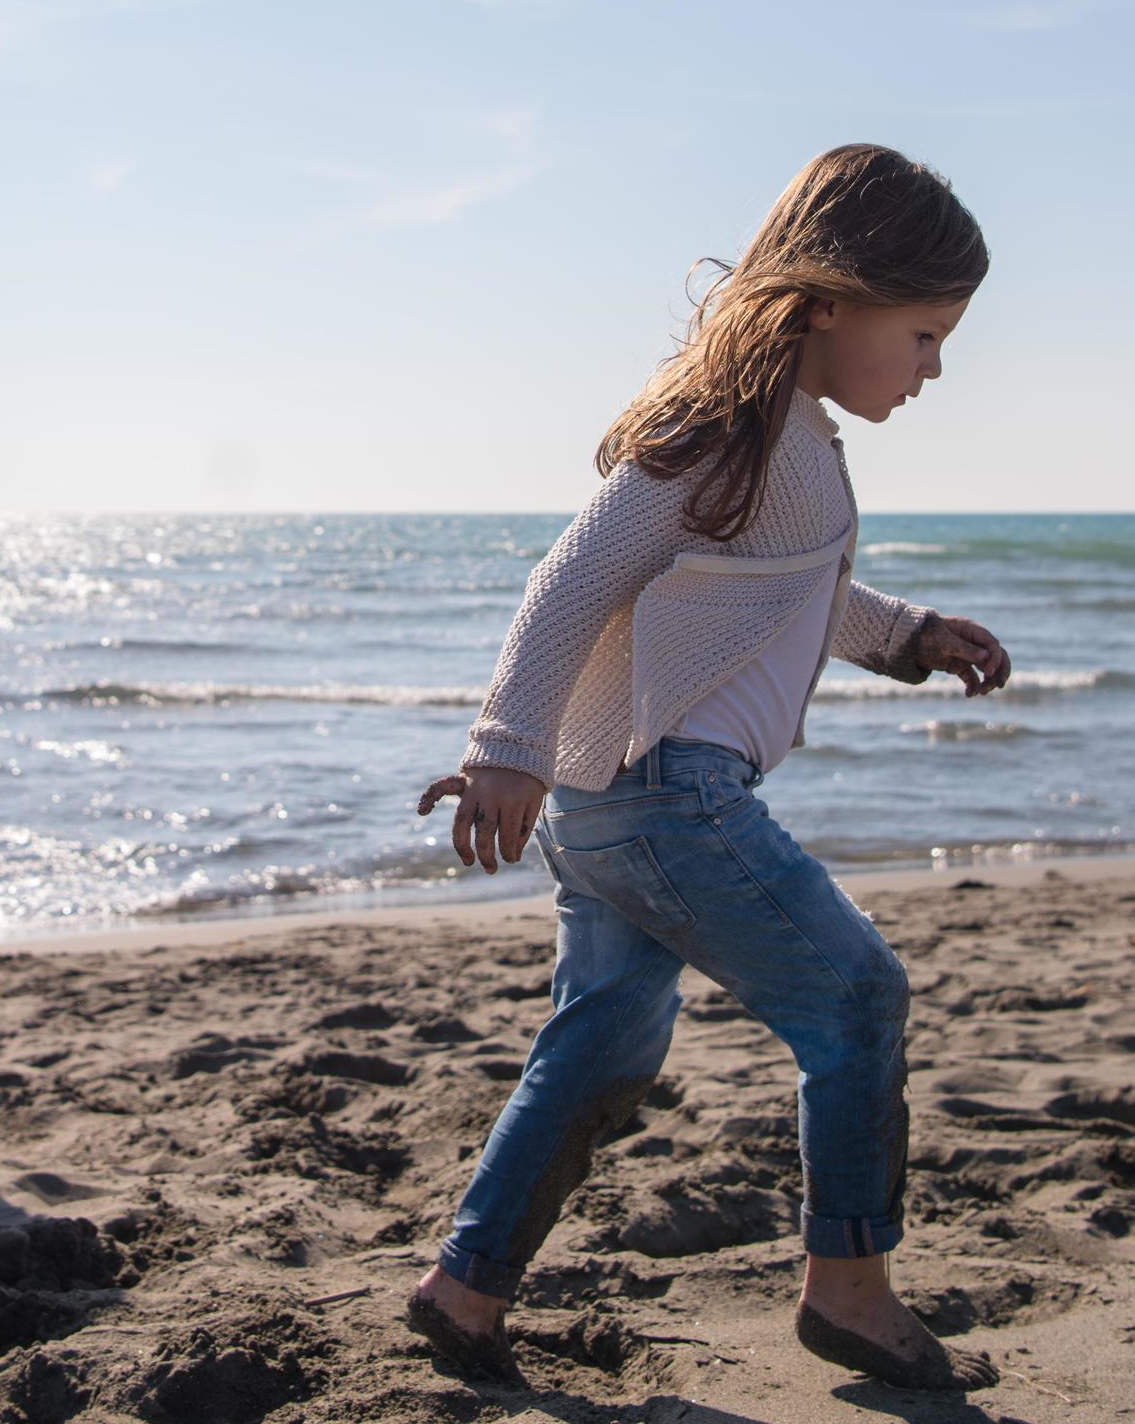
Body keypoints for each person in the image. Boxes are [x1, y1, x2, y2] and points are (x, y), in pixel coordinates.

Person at [407, 145, 1013, 1393]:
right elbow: (570, 579)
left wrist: (904, 636)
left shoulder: (777, 439)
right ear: (833, 298)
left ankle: (465, 1288)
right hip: (664, 795)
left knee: (601, 1046)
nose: (935, 368)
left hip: (611, 802)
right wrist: (502, 749)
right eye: (927, 334)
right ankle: (847, 1289)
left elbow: (791, 594)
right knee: (857, 1000)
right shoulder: (721, 434)